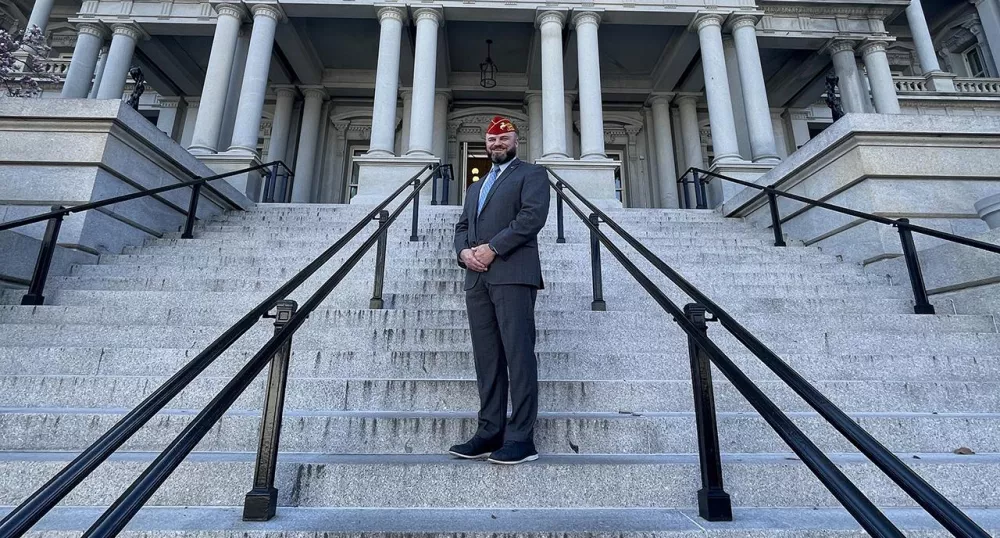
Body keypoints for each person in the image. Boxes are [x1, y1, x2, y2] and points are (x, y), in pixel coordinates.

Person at [449, 116, 551, 465]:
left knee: (518, 354)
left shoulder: (532, 175)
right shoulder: (475, 188)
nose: (497, 144)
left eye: (503, 138)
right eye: (492, 140)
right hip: (477, 278)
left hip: (512, 273)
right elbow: (463, 226)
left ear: (516, 141)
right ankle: (489, 430)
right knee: (487, 358)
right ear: (486, 145)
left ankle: (521, 438)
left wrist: (493, 248)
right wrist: (463, 253)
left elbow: (531, 218)